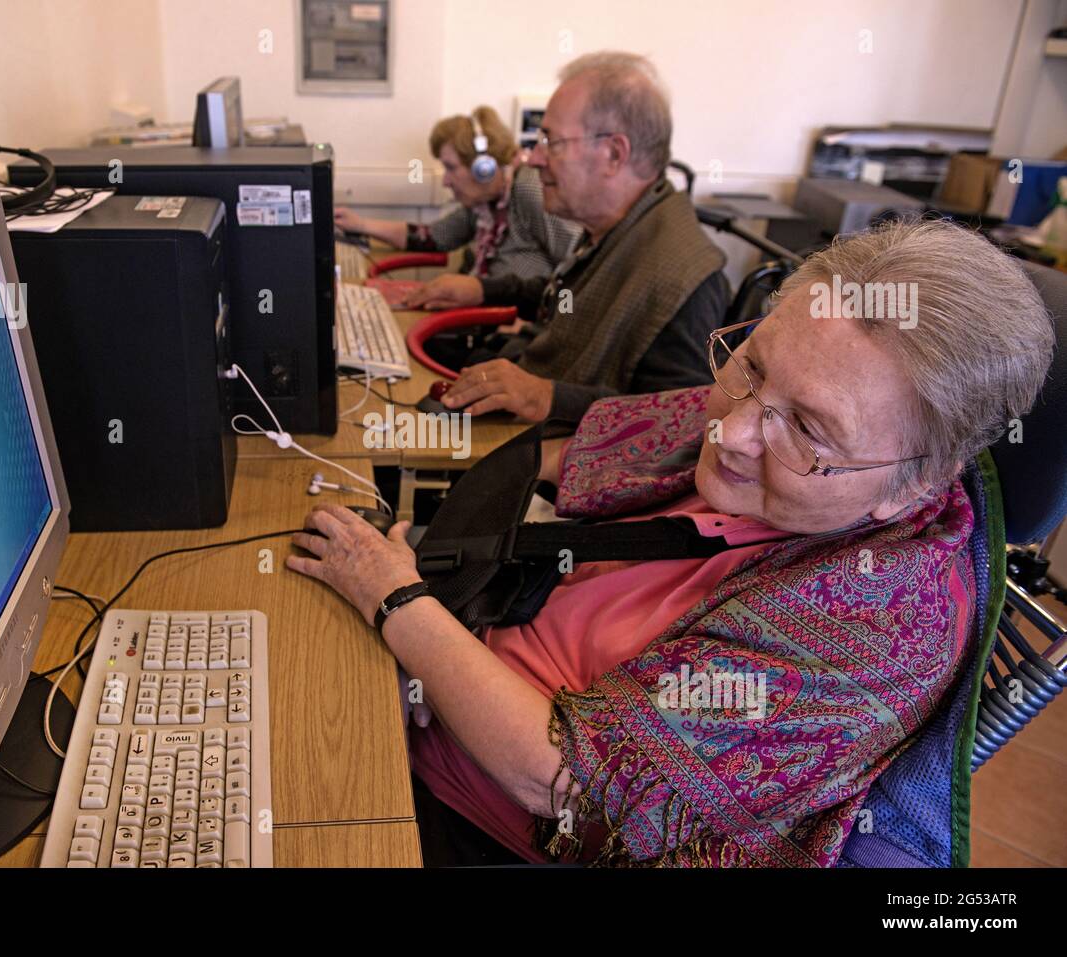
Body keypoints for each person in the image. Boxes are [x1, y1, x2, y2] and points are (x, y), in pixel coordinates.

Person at [285, 219, 1054, 866]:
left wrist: (401, 606)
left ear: (913, 485)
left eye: (810, 430)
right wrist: (434, 634)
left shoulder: (877, 634)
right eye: (749, 363)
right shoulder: (763, 415)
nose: (733, 427)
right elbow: (549, 455)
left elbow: (563, 778)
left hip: (476, 820)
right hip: (426, 678)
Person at [409, 52, 732, 424]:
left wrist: (547, 397)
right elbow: (566, 303)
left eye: (551, 141)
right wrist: (484, 291)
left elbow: (675, 422)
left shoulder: (682, 279)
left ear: (613, 154)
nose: (534, 159)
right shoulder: (619, 232)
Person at [334, 106, 580, 287]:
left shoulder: (528, 189)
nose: (445, 180)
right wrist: (360, 224)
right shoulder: (484, 205)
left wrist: (544, 321)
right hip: (481, 319)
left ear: (483, 168)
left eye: (451, 168)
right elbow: (432, 238)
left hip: (512, 330)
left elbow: (577, 269)